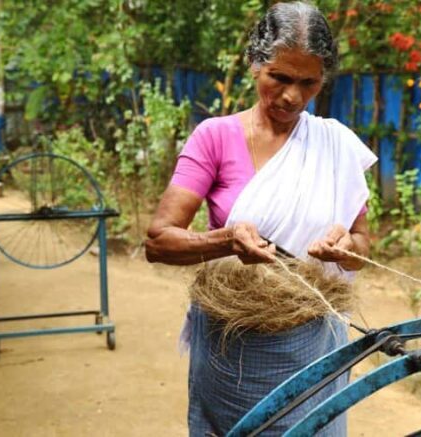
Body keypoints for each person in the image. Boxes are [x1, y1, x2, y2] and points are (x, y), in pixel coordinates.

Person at [145, 2, 377, 435]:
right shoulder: (214, 137)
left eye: (308, 83)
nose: (292, 96)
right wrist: (226, 240)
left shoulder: (335, 146)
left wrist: (346, 249)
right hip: (233, 350)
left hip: (315, 348)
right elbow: (159, 242)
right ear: (255, 64)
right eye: (280, 78)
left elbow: (363, 246)